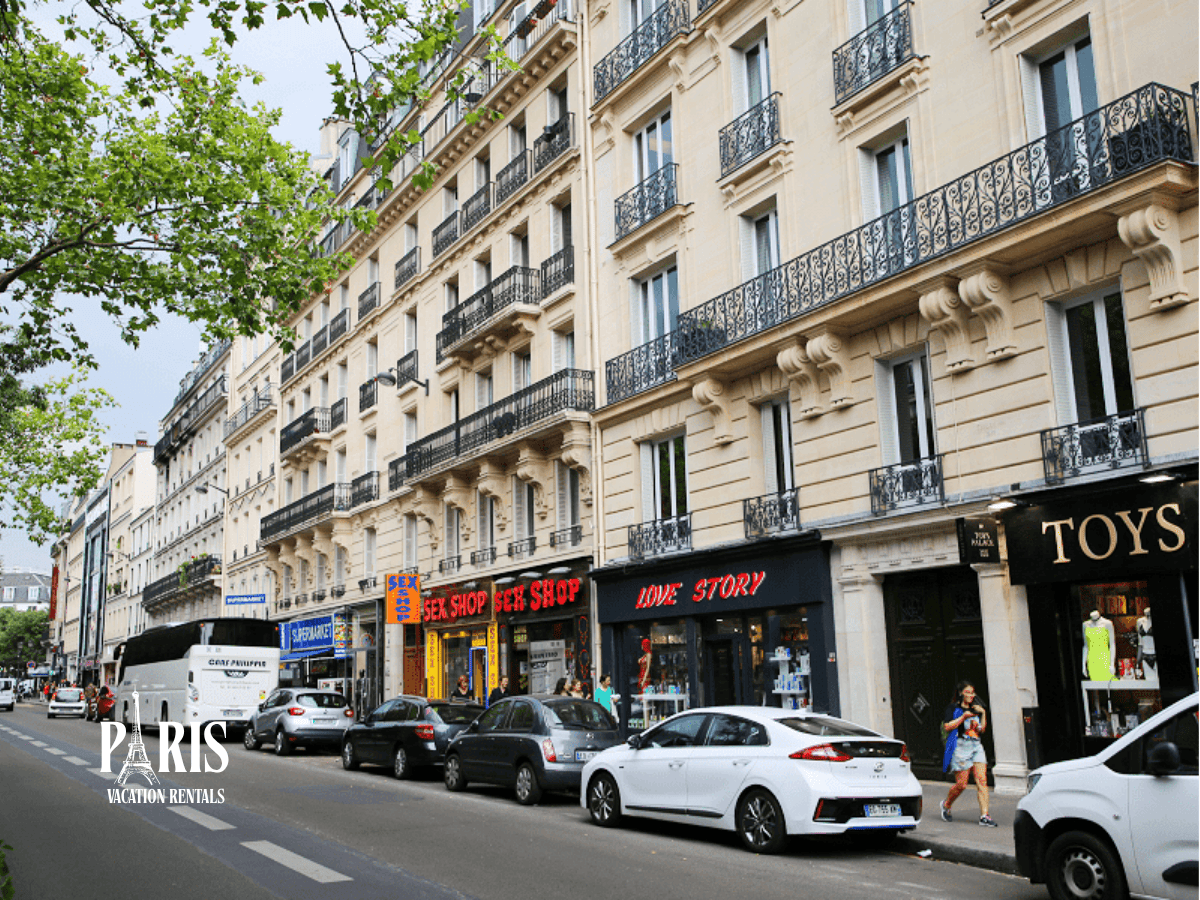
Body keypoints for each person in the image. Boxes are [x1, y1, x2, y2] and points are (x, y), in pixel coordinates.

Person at [940, 681, 997, 827]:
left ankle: (985, 816)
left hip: (976, 746)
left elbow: (981, 730)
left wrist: (983, 713)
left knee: (982, 780)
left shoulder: (975, 708)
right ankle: (946, 805)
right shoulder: (953, 708)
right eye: (968, 692)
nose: (971, 695)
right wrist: (963, 717)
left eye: (972, 692)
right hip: (960, 748)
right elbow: (947, 726)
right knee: (962, 784)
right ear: (960, 693)